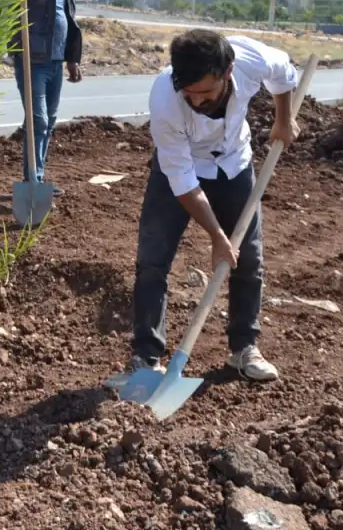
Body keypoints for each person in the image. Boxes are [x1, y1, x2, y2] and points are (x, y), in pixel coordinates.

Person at [128, 29, 301, 382]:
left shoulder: (252, 60)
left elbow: (283, 73)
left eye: (205, 93)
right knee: (152, 260)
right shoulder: (165, 98)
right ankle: (147, 359)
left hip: (234, 163)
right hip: (178, 169)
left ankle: (244, 349)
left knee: (248, 259)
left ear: (228, 72)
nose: (196, 101)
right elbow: (182, 181)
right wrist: (217, 236)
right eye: (188, 93)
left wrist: (284, 119)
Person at [8, 0, 83, 194]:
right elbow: (8, 6)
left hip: (55, 63)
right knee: (37, 119)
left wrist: (72, 60)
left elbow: (69, 24)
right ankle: (32, 181)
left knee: (48, 120)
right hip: (32, 62)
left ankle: (38, 176)